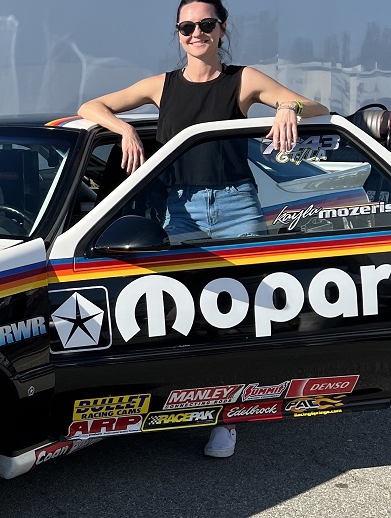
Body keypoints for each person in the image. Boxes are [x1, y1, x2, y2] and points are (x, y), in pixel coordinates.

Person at [77, 0, 328, 457]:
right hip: (180, 210)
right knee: (189, 313)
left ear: (221, 29)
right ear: (178, 33)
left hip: (237, 205)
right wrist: (126, 130)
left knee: (246, 315)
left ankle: (230, 418)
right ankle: (186, 403)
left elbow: (317, 106)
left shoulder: (242, 79)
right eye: (186, 26)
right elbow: (91, 105)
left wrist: (289, 105)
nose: (196, 33)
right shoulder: (162, 86)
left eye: (205, 24)